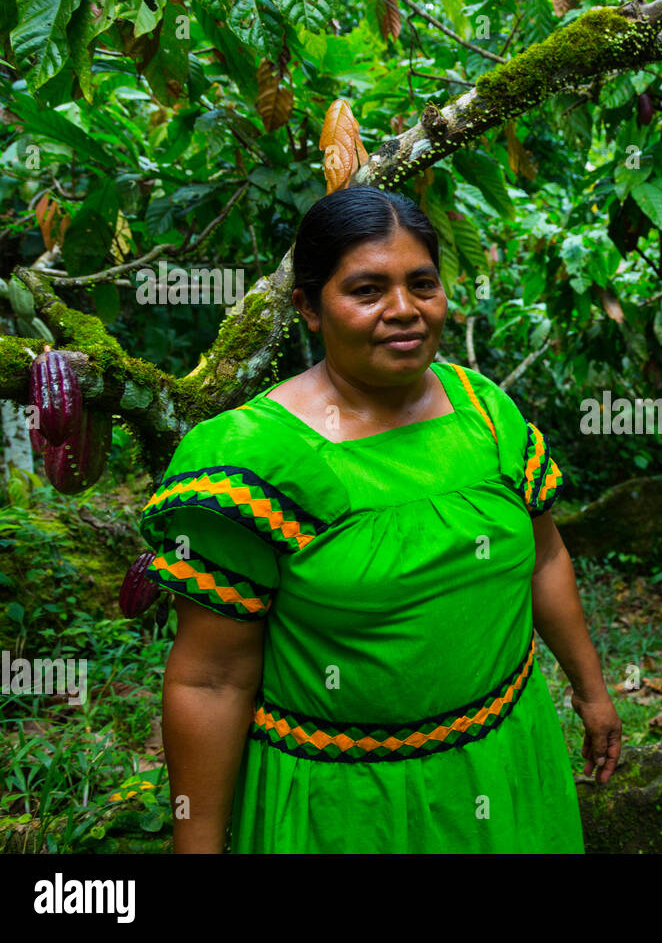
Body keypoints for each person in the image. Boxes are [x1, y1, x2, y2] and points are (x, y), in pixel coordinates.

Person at [138, 184, 621, 853]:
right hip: (344, 807)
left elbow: (544, 558)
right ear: (308, 306)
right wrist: (197, 846)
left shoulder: (484, 412)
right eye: (367, 291)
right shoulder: (251, 462)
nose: (405, 311)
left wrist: (591, 694)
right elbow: (210, 678)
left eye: (422, 284)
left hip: (508, 762)